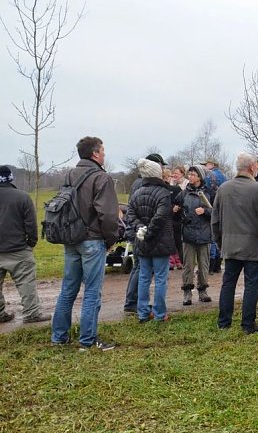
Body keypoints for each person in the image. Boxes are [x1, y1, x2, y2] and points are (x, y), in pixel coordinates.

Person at [51, 136, 120, 351]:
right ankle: (88, 340)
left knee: (68, 289)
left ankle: (59, 337)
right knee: (92, 291)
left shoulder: (69, 175)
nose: (105, 155)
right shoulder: (102, 177)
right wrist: (111, 239)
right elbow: (108, 215)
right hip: (92, 240)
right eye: (103, 151)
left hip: (71, 238)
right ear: (95, 154)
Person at [211, 153, 258, 334]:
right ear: (251, 168)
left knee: (228, 283)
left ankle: (224, 322)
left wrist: (220, 241)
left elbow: (215, 221)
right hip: (254, 246)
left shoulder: (223, 189)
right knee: (251, 285)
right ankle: (248, 324)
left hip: (230, 245)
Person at [124, 158, 176, 323]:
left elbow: (130, 214)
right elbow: (161, 216)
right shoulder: (164, 194)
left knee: (144, 276)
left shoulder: (137, 192)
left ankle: (143, 312)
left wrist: (141, 228)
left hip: (142, 241)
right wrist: (149, 230)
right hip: (160, 240)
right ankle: (160, 314)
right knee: (160, 278)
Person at [0, 165, 50, 323]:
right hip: (18, 248)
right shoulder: (22, 197)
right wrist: (31, 243)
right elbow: (31, 224)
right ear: (11, 178)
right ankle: (32, 313)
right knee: (26, 282)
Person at [177, 165, 214, 305]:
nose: (190, 177)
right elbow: (175, 211)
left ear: (200, 177)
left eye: (193, 174)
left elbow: (216, 211)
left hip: (204, 234)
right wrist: (179, 214)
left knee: (204, 265)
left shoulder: (210, 193)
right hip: (188, 235)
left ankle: (203, 290)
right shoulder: (183, 194)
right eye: (189, 174)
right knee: (188, 266)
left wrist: (205, 212)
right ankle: (187, 292)